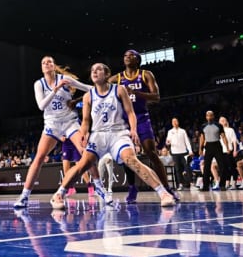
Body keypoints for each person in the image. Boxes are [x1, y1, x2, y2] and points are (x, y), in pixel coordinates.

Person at [50, 63, 175, 209]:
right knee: (83, 164)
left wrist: (133, 130)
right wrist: (84, 133)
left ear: (107, 74)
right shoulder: (87, 96)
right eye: (92, 70)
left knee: (131, 160)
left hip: (118, 133)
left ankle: (163, 193)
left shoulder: (119, 89)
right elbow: (85, 121)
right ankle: (58, 194)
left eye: (99, 69)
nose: (95, 72)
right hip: (98, 135)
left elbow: (130, 113)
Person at [13, 56, 108, 208]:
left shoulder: (65, 79)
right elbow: (41, 106)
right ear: (42, 67)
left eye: (49, 62)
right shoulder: (39, 84)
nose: (46, 64)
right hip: (52, 124)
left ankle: (99, 187)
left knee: (86, 152)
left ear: (54, 65)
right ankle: (24, 195)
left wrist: (106, 88)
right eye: (43, 63)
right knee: (38, 158)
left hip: (70, 122)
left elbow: (86, 87)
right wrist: (56, 90)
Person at [109, 49, 175, 203]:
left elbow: (156, 96)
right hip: (124, 121)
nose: (127, 57)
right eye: (125, 55)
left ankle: (166, 188)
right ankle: (132, 188)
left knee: (152, 153)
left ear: (137, 60)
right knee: (127, 156)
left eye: (131, 55)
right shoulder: (117, 78)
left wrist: (135, 93)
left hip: (142, 118)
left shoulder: (146, 74)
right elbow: (97, 87)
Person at [198, 110, 228, 191]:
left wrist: (227, 147)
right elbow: (202, 138)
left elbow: (223, 136)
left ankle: (222, 185)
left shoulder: (218, 125)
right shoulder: (203, 126)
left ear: (213, 116)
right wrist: (200, 148)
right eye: (207, 115)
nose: (209, 117)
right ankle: (205, 186)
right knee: (206, 167)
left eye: (210, 115)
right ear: (206, 117)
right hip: (208, 146)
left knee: (222, 166)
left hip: (217, 145)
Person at [165, 117, 193, 190]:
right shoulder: (170, 131)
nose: (174, 123)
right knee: (177, 169)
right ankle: (180, 184)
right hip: (175, 153)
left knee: (187, 167)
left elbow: (187, 141)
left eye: (175, 121)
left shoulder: (182, 131)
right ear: (172, 123)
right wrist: (168, 143)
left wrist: (190, 150)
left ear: (178, 122)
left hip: (184, 152)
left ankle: (191, 183)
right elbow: (167, 142)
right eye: (173, 121)